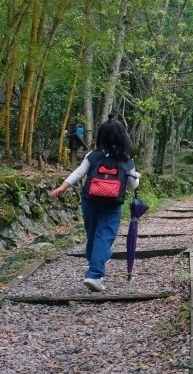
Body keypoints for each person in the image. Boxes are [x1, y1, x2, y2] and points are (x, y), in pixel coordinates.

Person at [50, 116, 140, 291]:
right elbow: (132, 186)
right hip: (112, 203)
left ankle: (95, 267)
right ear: (124, 137)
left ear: (101, 136)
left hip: (89, 201)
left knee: (93, 235)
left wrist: (63, 186)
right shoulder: (126, 160)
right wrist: (136, 177)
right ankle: (94, 274)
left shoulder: (93, 155)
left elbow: (79, 172)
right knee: (104, 236)